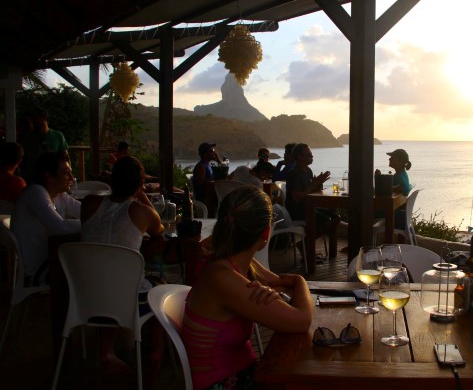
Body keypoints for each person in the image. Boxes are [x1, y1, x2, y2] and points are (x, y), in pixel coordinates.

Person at [184, 185, 313, 389]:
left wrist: (278, 292)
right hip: (224, 382)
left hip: (245, 372)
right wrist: (300, 281)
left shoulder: (238, 264)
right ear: (266, 232)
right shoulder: (223, 277)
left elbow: (281, 288)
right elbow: (302, 320)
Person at [81, 155, 164, 374]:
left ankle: (105, 350)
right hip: (124, 299)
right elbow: (160, 229)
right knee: (159, 288)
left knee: (109, 275)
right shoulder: (142, 212)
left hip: (85, 292)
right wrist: (141, 194)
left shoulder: (89, 203)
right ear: (139, 184)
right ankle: (157, 351)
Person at [11, 151, 80, 286]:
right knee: (87, 271)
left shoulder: (60, 195)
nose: (71, 177)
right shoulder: (35, 193)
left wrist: (101, 215)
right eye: (66, 173)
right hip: (37, 272)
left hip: (52, 261)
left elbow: (87, 212)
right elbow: (61, 227)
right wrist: (93, 223)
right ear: (49, 176)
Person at [285, 143, 339, 253]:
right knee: (328, 221)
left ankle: (304, 243)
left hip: (308, 207)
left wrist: (319, 184)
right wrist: (314, 184)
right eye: (309, 155)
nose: (312, 157)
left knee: (335, 218)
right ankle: (305, 244)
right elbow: (297, 198)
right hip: (297, 211)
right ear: (300, 157)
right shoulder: (293, 174)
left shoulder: (308, 171)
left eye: (311, 154)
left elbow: (311, 191)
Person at [19, 108, 69, 183]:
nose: (33, 122)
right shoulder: (27, 137)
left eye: (35, 119)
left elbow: (65, 157)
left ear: (44, 118)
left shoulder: (58, 136)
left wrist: (68, 173)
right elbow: (22, 160)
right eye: (32, 119)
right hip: (32, 179)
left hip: (53, 178)